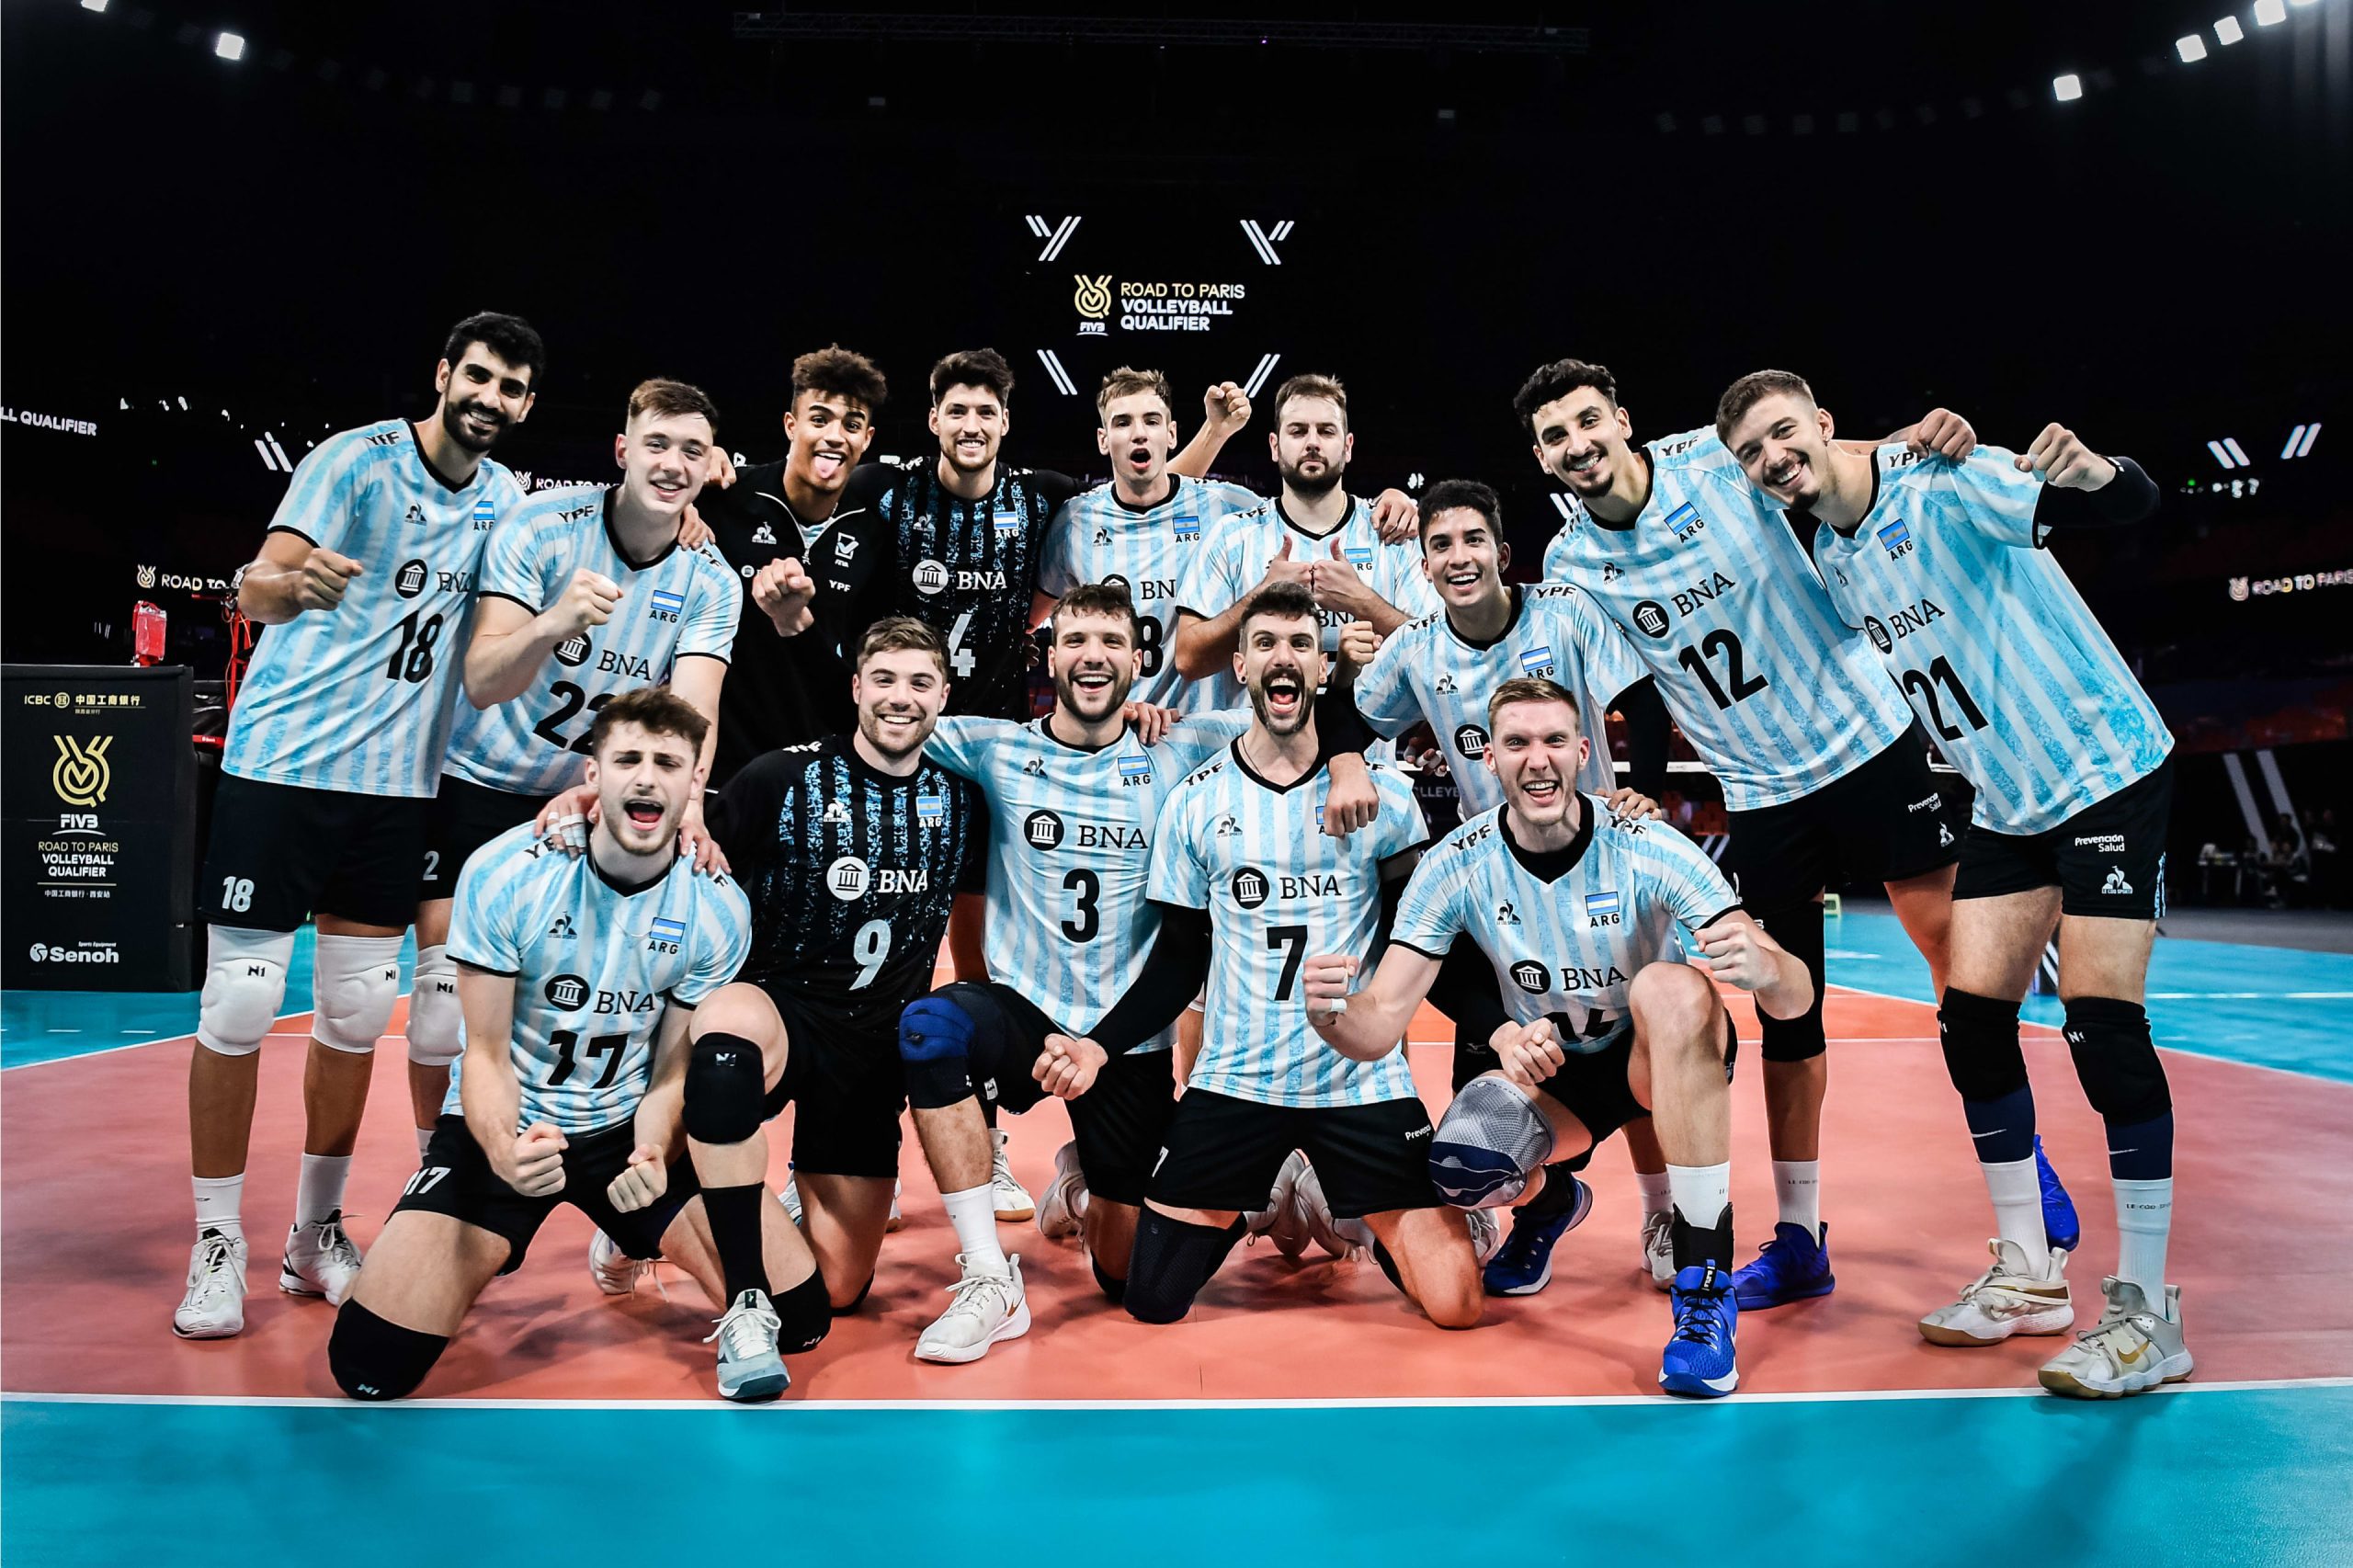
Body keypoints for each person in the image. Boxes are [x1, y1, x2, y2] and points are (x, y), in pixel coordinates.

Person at [1517, 357, 2075, 1313]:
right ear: (1542, 459)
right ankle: (1798, 1235)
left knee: (1954, 962)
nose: (1577, 445)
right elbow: (1618, 680)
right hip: (1762, 790)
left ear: (1622, 419)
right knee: (1787, 1012)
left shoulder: (1712, 461)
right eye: (1554, 436)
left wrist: (1918, 442)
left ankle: (2024, 1159)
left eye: (1586, 422)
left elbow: (1826, 458)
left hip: (1868, 738)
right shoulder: (1572, 564)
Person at [1718, 370, 2186, 1398]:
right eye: (1751, 454)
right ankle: (2027, 1271)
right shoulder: (1834, 557)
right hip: (2006, 803)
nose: (1772, 460)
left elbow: (2131, 502)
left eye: (1781, 434)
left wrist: (2094, 468)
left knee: (2104, 1029)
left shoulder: (1948, 475)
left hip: (2102, 769)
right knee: (1971, 1024)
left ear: (1820, 421)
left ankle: (2149, 1314)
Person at [897, 583, 1381, 1360]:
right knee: (930, 1026)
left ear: (1139, 660)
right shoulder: (998, 747)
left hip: (1130, 1039)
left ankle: (1082, 1176)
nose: (1093, 656)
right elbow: (889, 716)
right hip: (1024, 1014)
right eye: (1076, 640)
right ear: (1049, 656)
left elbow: (1290, 703)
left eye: (1112, 642)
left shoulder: (1181, 744)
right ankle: (988, 1274)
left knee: (1124, 1280)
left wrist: (1350, 752)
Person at [179, 312, 541, 1339]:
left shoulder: (509, 499)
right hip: (282, 771)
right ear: (442, 373)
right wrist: (290, 587)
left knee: (351, 1013)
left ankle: (313, 1232)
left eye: (511, 387)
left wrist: (694, 509)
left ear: (522, 405)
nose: (490, 397)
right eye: (477, 375)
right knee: (242, 1004)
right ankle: (214, 1241)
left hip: (396, 790)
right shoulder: (354, 462)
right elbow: (257, 580)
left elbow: (590, 519)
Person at [1304, 677, 1812, 1396]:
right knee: (1464, 1162)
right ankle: (1550, 1204)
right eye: (1516, 743)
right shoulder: (1458, 862)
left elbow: (1796, 1002)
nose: (1536, 760)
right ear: (1490, 760)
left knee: (1667, 987)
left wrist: (1766, 968)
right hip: (1559, 1078)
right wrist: (1332, 1014)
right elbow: (1379, 1022)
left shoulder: (1649, 846)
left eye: (1551, 742)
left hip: (1657, 1061)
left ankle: (1705, 1286)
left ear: (1581, 754)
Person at [326, 689, 831, 1404]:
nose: (646, 777)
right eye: (626, 759)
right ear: (592, 776)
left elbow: (669, 1069)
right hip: (511, 1126)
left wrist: (655, 1149)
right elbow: (486, 1055)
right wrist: (502, 1151)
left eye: (667, 763)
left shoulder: (715, 907)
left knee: (801, 1323)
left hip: (625, 1130)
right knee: (368, 1368)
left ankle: (626, 1231)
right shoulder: (508, 873)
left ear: (695, 786)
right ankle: (476, 1247)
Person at [1051, 581, 1487, 1330]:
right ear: (1243, 670)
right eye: (1263, 645)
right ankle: (1255, 1199)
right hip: (1237, 1085)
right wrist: (1099, 1044)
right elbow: (1179, 963)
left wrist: (1499, 1025)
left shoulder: (1382, 795)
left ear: (1322, 669)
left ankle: (1348, 1205)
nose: (1282, 659)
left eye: (1298, 645)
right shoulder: (1196, 800)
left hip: (1360, 1087)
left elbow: (1426, 948)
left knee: (1456, 1305)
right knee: (1150, 1300)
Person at [1344, 478, 1677, 1294]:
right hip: (1490, 890)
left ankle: (1665, 1207)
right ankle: (1539, 1211)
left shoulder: (1563, 612)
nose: (1458, 557)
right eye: (1441, 545)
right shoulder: (1418, 646)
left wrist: (1647, 792)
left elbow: (1641, 700)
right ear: (1423, 565)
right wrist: (1351, 758)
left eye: (1471, 540)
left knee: (1641, 1052)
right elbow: (1350, 717)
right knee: (1493, 1079)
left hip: (1597, 869)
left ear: (1502, 551)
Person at [402, 379, 739, 1159]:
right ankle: (441, 1167)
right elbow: (483, 679)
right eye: (656, 445)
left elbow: (694, 714)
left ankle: (624, 1177)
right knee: (441, 1009)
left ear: (711, 465)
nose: (671, 463)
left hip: (603, 804)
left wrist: (682, 806)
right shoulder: (542, 527)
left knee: (615, 998)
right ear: (622, 451)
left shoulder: (710, 580)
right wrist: (557, 620)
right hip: (481, 783)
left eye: (692, 451)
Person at [1172, 373, 1440, 720]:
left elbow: (1439, 656)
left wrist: (1363, 603)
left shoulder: (1390, 532)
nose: (1312, 443)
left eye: (1326, 432)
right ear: (1274, 445)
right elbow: (1188, 660)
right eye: (1298, 431)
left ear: (1348, 446)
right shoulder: (1233, 535)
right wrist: (1262, 597)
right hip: (1253, 761)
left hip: (1366, 760)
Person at [690, 346, 892, 782]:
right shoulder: (723, 496)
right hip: (715, 766)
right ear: (791, 425)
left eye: (852, 425)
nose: (835, 436)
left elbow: (858, 671)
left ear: (867, 439)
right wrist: (685, 492)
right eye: (819, 419)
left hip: (812, 772)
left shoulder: (874, 533)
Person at [1038, 367, 1264, 713]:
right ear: (1103, 439)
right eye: (1123, 422)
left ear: (1171, 434)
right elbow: (1034, 618)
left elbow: (1313, 517)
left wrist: (1378, 502)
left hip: (1215, 734)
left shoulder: (1228, 506)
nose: (1138, 434)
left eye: (1152, 421)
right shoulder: (1074, 522)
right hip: (1119, 733)